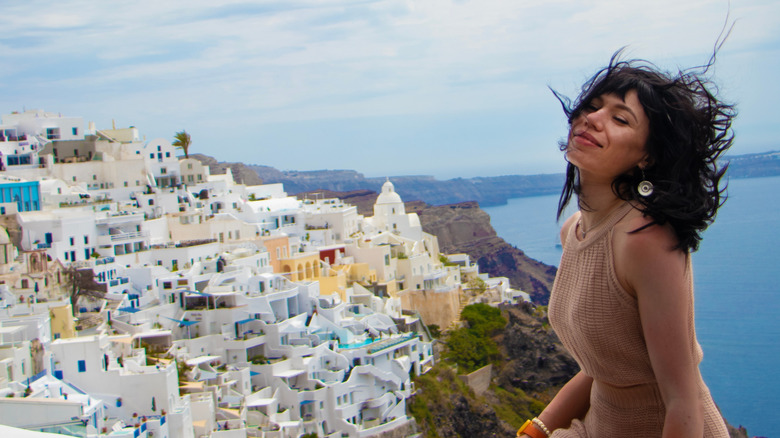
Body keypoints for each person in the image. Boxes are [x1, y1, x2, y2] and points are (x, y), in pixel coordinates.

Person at [516, 50, 736, 438]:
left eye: (620, 119)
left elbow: (682, 400)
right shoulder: (574, 230)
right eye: (594, 106)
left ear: (645, 158)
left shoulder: (646, 237)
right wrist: (536, 430)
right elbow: (604, 370)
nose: (593, 118)